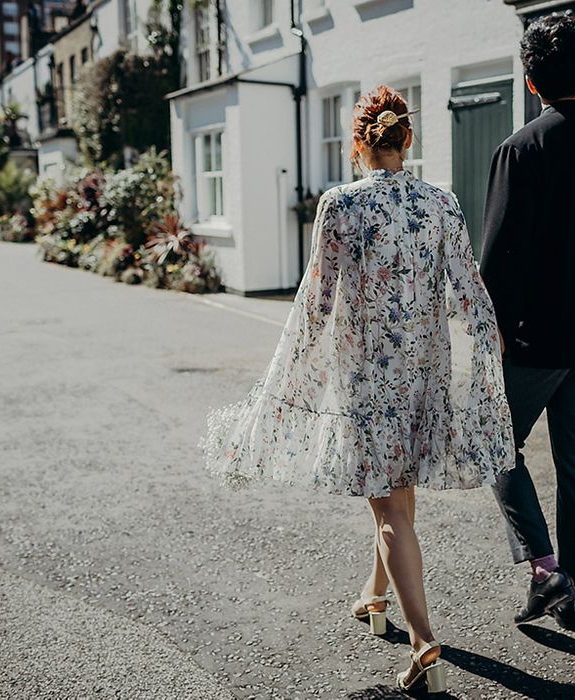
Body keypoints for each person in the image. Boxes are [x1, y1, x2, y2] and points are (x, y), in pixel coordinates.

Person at [203, 86, 515, 693]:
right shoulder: (440, 202)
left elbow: (317, 300)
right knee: (398, 494)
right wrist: (488, 340)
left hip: (368, 378)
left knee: (390, 505)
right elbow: (469, 288)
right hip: (424, 375)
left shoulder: (340, 205)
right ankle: (375, 595)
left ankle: (424, 637)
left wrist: (293, 366)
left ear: (359, 142)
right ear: (408, 139)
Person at [481, 13, 575, 631]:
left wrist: (490, 333)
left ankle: (548, 572)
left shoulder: (519, 152)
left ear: (530, 80)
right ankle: (571, 592)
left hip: (536, 340)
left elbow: (497, 260)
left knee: (493, 441)